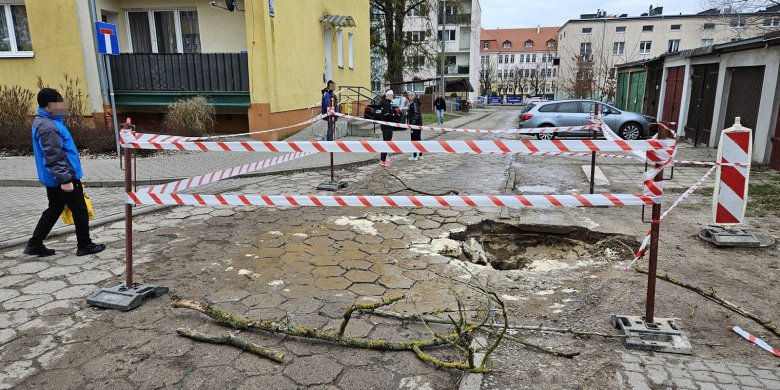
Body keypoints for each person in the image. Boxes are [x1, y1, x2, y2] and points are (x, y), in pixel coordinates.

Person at [25, 88, 105, 257]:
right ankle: (84, 245)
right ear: (48, 105)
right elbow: (54, 155)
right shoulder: (48, 126)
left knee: (54, 209)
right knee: (80, 209)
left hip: (53, 177)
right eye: (58, 102)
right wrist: (65, 180)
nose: (62, 105)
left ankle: (34, 244)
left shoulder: (45, 121)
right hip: (63, 177)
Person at [379, 89, 399, 166]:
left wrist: (393, 112)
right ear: (388, 95)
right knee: (387, 142)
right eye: (391, 95)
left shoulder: (385, 102)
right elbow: (387, 115)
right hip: (387, 126)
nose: (392, 96)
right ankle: (382, 160)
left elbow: (386, 113)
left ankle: (383, 159)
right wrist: (394, 115)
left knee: (386, 142)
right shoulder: (386, 103)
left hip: (386, 126)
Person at [406, 91, 423, 161]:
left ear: (413, 96)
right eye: (408, 96)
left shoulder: (414, 103)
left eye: (409, 96)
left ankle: (415, 156)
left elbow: (416, 115)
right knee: (418, 139)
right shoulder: (414, 103)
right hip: (417, 124)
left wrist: (412, 125)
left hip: (415, 125)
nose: (408, 97)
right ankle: (420, 155)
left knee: (414, 140)